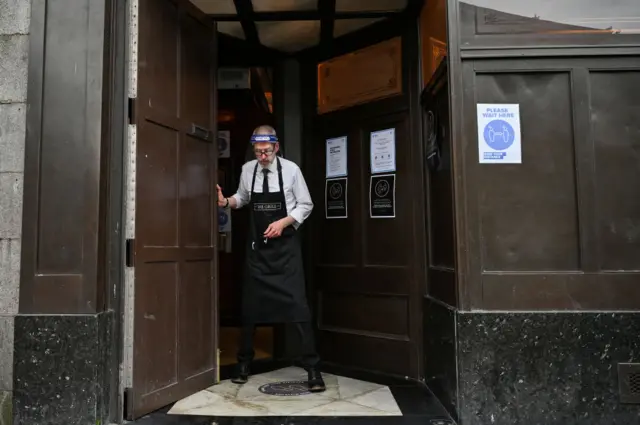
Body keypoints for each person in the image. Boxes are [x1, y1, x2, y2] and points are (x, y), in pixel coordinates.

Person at [216, 125, 325, 392]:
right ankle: (243, 364)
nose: (262, 157)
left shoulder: (291, 170)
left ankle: (313, 369)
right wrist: (225, 202)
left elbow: (306, 204)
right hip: (258, 253)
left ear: (276, 147)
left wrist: (284, 223)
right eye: (258, 152)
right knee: (250, 309)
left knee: (299, 308)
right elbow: (242, 198)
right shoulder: (247, 170)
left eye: (266, 151)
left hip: (286, 252)